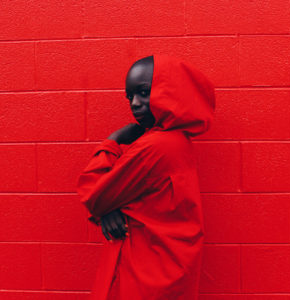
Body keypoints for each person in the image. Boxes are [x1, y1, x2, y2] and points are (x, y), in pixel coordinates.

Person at [76, 54, 215, 300]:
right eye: (130, 97)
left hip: (144, 274)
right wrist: (111, 209)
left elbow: (94, 194)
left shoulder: (156, 146)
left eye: (144, 92)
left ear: (171, 90)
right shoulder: (178, 142)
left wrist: (113, 141)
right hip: (165, 269)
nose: (135, 103)